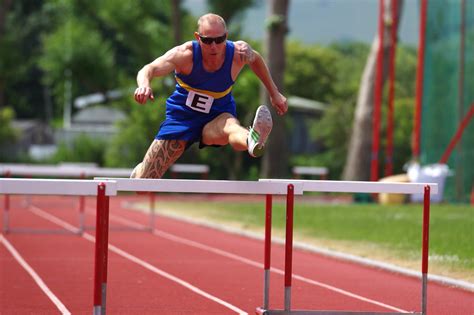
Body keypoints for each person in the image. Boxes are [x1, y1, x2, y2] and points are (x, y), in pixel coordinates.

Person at [131, 13, 288, 178]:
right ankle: (140, 171)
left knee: (231, 127)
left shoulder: (238, 53)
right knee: (144, 182)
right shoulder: (184, 54)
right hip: (182, 118)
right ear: (198, 37)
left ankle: (252, 139)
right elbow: (149, 69)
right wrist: (144, 85)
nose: (214, 46)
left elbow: (255, 60)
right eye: (207, 40)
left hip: (217, 115)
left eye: (219, 40)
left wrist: (274, 93)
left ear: (226, 36)